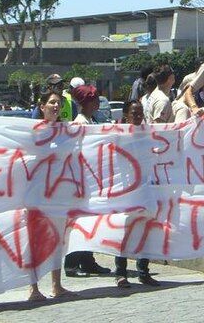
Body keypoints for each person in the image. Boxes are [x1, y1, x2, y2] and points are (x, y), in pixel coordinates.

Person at [28, 89, 74, 301]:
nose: (56, 106)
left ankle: (57, 284)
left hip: (58, 195)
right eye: (52, 103)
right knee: (34, 241)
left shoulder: (65, 130)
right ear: (42, 106)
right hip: (37, 195)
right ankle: (33, 288)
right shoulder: (32, 131)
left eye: (59, 103)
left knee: (58, 240)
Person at [65, 83, 111, 277]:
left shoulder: (90, 122)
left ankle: (87, 259)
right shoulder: (79, 124)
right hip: (81, 179)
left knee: (90, 222)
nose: (96, 105)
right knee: (79, 222)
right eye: (93, 101)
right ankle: (72, 262)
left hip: (91, 179)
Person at [113, 99, 159, 288]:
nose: (139, 116)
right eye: (135, 113)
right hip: (127, 190)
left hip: (145, 188)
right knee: (125, 232)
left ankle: (143, 271)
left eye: (141, 112)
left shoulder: (147, 134)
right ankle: (121, 273)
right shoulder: (120, 136)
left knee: (146, 230)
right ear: (126, 115)